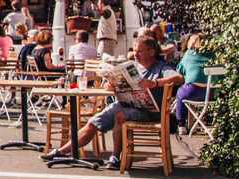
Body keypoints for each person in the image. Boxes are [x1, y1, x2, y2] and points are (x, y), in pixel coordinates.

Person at [42, 36, 184, 169]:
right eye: (135, 50)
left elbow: (179, 78)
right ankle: (61, 152)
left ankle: (115, 157)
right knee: (93, 122)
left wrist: (155, 83)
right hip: (127, 104)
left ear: (152, 52)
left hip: (150, 111)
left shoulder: (160, 68)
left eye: (139, 51)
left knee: (119, 115)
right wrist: (110, 86)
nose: (136, 54)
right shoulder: (132, 66)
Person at [174, 34, 214, 135]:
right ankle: (208, 121)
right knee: (209, 96)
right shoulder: (214, 55)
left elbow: (180, 71)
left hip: (193, 91)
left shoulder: (188, 55)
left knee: (179, 93)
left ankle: (181, 124)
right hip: (213, 94)